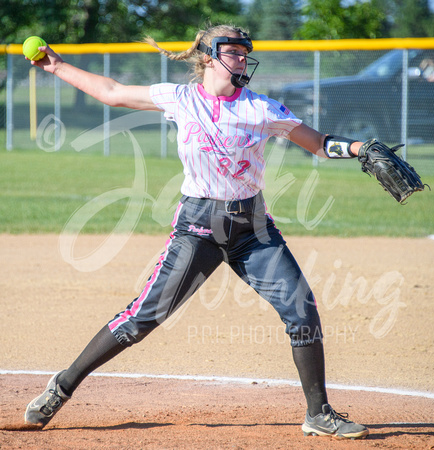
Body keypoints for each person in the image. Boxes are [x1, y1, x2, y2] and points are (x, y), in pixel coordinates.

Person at [24, 24, 369, 440]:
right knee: (141, 319)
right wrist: (57, 66)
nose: (243, 60)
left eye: (245, 53)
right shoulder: (181, 99)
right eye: (234, 52)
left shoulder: (263, 109)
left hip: (253, 230)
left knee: (302, 310)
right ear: (208, 56)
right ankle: (62, 386)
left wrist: (359, 149)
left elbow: (317, 143)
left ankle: (318, 413)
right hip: (198, 228)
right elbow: (112, 91)